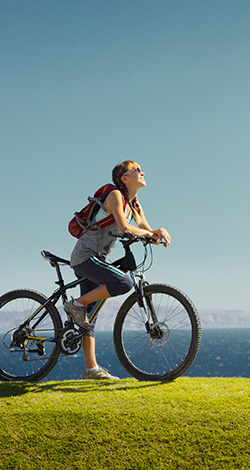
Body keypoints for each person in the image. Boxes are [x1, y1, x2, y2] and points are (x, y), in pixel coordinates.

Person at [64, 160, 172, 380]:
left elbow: (143, 227)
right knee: (125, 283)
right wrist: (150, 234)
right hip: (85, 257)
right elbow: (124, 227)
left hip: (98, 258)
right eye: (137, 170)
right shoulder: (115, 195)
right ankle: (75, 305)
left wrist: (157, 233)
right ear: (124, 178)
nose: (142, 172)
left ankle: (91, 369)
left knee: (89, 317)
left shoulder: (134, 203)